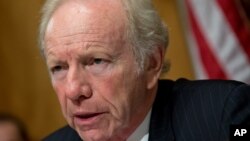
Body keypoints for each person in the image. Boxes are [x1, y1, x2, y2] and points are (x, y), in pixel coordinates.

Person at [40, 0, 250, 140]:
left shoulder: (224, 116)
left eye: (96, 61)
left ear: (151, 62)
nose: (73, 90)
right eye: (59, 67)